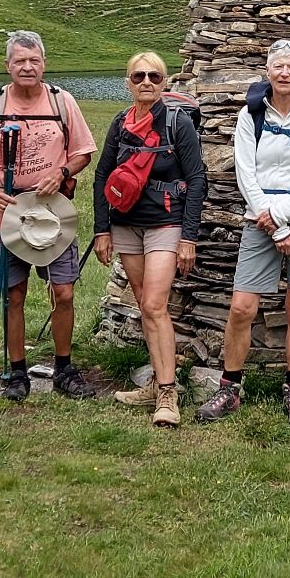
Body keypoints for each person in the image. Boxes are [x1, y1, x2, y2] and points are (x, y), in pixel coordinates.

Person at [195, 38, 290, 427]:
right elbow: (246, 175)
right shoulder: (251, 116)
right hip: (261, 222)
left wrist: (280, 215)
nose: (284, 73)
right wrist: (274, 225)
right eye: (278, 66)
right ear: (268, 71)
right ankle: (229, 388)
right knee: (242, 307)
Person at [0, 31, 96, 402]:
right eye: (19, 61)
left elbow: (83, 152)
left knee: (63, 291)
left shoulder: (62, 101)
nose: (27, 67)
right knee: (12, 293)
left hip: (53, 212)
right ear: (7, 65)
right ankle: (17, 373)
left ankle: (64, 369)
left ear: (44, 64)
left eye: (34, 60)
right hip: (5, 214)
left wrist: (62, 173)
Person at [90, 51, 205, 427]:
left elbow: (197, 179)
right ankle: (156, 383)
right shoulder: (120, 123)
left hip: (165, 224)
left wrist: (188, 237)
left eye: (154, 76)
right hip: (126, 225)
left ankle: (168, 394)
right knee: (144, 304)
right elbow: (102, 175)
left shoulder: (176, 123)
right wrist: (102, 229)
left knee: (155, 305)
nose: (146, 82)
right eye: (138, 76)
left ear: (164, 82)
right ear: (128, 82)